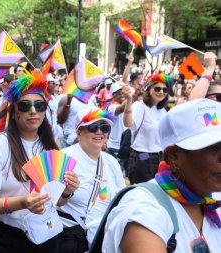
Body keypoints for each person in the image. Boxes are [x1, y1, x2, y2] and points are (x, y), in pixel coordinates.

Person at [0, 70, 79, 253]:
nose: (33, 111)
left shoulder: (50, 146)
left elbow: (56, 201)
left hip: (47, 234)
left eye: (39, 105)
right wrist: (22, 202)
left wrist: (67, 192)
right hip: (9, 238)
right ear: (13, 112)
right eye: (24, 106)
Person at [102, 98, 221, 253]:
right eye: (212, 148)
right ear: (174, 155)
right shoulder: (144, 211)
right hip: (141, 158)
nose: (161, 92)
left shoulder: (211, 196)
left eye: (164, 89)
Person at [58, 108, 125, 253]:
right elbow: (50, 201)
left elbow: (121, 200)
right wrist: (65, 193)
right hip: (68, 239)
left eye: (104, 128)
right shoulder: (63, 158)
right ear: (79, 132)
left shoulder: (112, 162)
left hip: (101, 238)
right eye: (93, 127)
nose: (99, 132)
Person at [123, 73, 172, 184]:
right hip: (143, 157)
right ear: (149, 89)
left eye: (164, 90)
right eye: (157, 88)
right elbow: (128, 123)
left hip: (160, 158)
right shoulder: (140, 106)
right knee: (142, 193)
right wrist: (129, 101)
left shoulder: (163, 111)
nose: (161, 92)